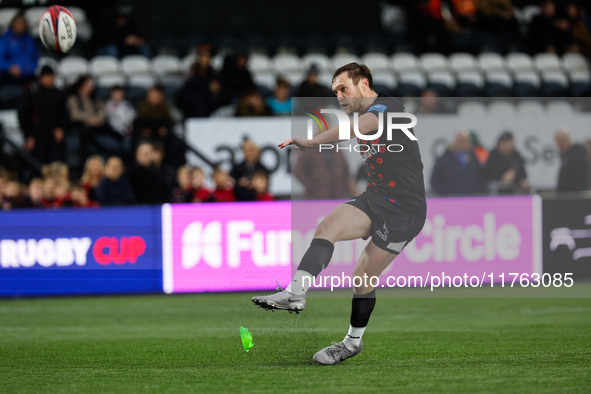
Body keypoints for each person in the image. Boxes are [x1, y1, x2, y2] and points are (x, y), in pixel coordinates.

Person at [252, 63, 427, 365]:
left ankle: (351, 343)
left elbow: (356, 129)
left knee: (362, 276)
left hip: (406, 210)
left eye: (343, 89)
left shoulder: (390, 106)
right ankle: (296, 292)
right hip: (376, 198)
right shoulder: (363, 116)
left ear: (364, 84)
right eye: (335, 92)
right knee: (326, 227)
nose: (339, 97)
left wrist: (312, 141)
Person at [18, 66, 66, 164]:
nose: (50, 80)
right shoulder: (32, 92)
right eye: (48, 77)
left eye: (52, 77)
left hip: (53, 135)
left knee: (55, 163)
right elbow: (22, 115)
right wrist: (28, 135)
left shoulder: (57, 93)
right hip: (36, 135)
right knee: (38, 164)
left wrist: (60, 127)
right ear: (41, 78)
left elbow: (63, 113)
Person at [0, 12, 39, 108]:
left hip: (27, 75)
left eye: (23, 23)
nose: (20, 25)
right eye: (18, 23)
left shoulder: (30, 41)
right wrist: (10, 67)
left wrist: (27, 70)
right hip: (9, 76)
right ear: (13, 24)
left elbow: (35, 60)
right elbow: (1, 59)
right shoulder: (6, 40)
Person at [430, 130, 486, 195]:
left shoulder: (474, 159)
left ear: (469, 143)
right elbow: (434, 180)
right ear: (455, 141)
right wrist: (445, 193)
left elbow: (481, 178)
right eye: (459, 141)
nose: (462, 143)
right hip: (449, 200)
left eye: (464, 141)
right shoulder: (444, 159)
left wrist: (475, 191)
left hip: (471, 199)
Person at [176, 45, 220, 118]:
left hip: (206, 100)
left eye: (207, 56)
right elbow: (187, 85)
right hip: (192, 98)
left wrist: (215, 88)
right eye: (202, 56)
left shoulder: (213, 72)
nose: (204, 59)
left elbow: (216, 88)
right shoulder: (193, 70)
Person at [105, 85, 136, 151]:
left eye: (119, 93)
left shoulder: (127, 105)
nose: (117, 95)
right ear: (111, 94)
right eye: (115, 93)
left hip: (126, 131)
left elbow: (132, 116)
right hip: (112, 131)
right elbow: (108, 119)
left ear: (123, 94)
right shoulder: (108, 105)